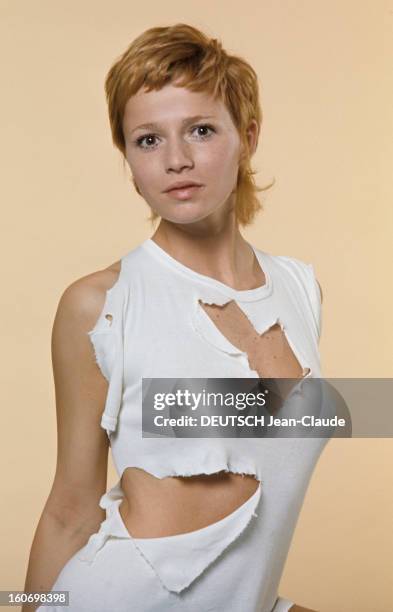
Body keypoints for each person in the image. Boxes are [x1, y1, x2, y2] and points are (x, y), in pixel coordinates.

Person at [23, 23, 327, 612]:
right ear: (129, 159)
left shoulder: (300, 288)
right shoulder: (101, 303)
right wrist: (20, 603)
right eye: (148, 140)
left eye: (202, 130)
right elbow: (69, 508)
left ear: (249, 137)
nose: (177, 160)